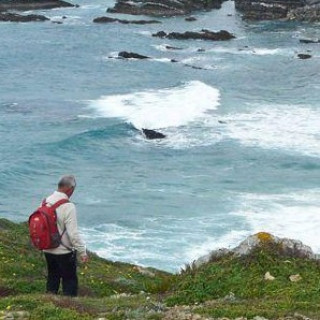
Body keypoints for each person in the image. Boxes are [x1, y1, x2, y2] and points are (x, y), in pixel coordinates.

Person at [43, 175, 88, 297]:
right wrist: (82, 252)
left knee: (52, 277)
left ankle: (48, 304)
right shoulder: (68, 206)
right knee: (69, 280)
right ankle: (69, 307)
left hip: (47, 248)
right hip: (64, 251)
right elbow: (73, 234)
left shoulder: (46, 201)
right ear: (70, 189)